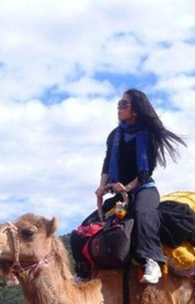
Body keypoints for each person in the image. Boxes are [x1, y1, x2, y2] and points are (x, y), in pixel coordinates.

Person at [79, 88, 186, 284]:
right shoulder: (114, 136)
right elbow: (107, 162)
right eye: (118, 104)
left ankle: (152, 262)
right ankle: (83, 270)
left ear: (135, 110)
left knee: (143, 213)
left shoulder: (148, 135)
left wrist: (127, 188)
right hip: (119, 193)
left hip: (143, 189)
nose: (118, 108)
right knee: (86, 227)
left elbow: (146, 172)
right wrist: (101, 188)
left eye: (123, 104)